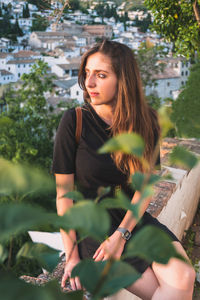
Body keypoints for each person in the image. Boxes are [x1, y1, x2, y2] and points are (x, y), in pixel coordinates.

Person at [52, 40, 195, 299]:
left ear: (123, 80)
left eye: (101, 75)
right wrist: (72, 256)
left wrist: (122, 233)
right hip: (94, 229)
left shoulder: (147, 122)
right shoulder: (74, 121)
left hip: (132, 221)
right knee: (168, 290)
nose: (89, 83)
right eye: (87, 73)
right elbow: (63, 195)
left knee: (185, 275)